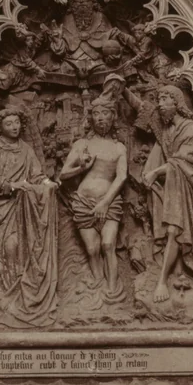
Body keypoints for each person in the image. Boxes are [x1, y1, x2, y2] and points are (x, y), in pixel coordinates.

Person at [0, 108, 59, 328]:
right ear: (0, 127)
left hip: (19, 211)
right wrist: (11, 185)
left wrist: (48, 184)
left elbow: (36, 175)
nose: (14, 127)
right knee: (1, 252)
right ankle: (0, 296)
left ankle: (16, 298)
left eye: (16, 122)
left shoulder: (26, 150)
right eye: (9, 124)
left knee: (15, 248)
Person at [140, 85, 193, 303]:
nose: (160, 104)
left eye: (164, 99)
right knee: (174, 230)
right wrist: (150, 171)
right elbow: (165, 158)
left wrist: (156, 172)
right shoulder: (167, 132)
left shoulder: (190, 129)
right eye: (159, 100)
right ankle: (168, 279)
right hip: (177, 188)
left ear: (176, 103)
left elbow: (183, 161)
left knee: (183, 231)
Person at [58, 98, 128, 299]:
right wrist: (82, 167)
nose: (100, 118)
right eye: (96, 114)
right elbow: (63, 173)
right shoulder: (83, 144)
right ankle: (98, 281)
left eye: (105, 113)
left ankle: (112, 290)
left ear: (113, 116)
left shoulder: (119, 148)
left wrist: (105, 203)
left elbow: (122, 177)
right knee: (92, 248)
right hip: (83, 203)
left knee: (108, 245)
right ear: (91, 118)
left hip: (109, 202)